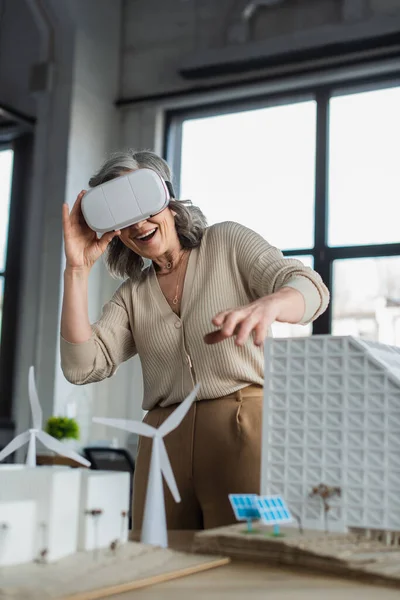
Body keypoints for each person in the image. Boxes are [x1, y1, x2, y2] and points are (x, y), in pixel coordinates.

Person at [60, 150, 329, 531]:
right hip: (161, 444)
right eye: (123, 218)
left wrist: (271, 305)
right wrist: (76, 270)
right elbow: (80, 366)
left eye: (143, 205)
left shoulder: (227, 242)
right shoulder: (132, 294)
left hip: (244, 429)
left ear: (167, 199)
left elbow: (310, 289)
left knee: (249, 561)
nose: (139, 224)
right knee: (157, 567)